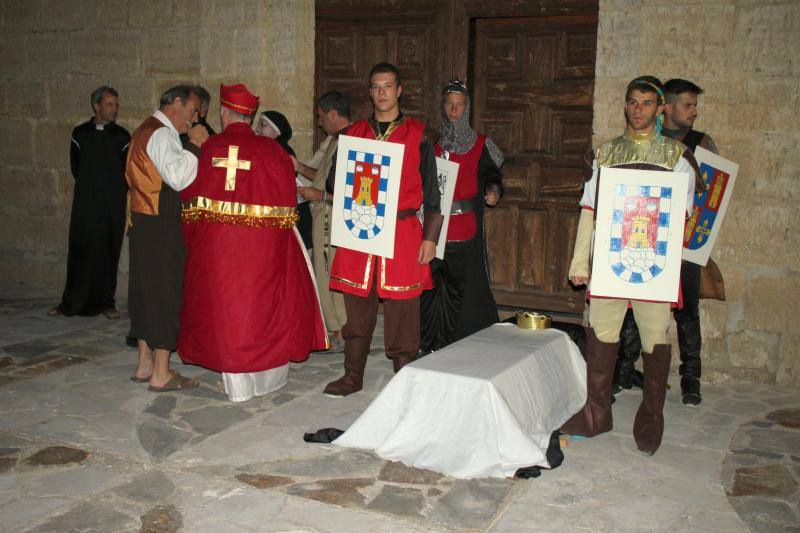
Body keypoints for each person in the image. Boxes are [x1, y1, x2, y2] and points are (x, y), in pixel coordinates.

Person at [561, 76, 701, 455]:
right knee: (602, 336)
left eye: (646, 103)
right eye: (632, 102)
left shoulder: (677, 158)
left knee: (655, 340)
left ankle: (652, 418)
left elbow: (681, 216)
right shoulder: (605, 154)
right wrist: (580, 263)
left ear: (660, 109)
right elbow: (588, 211)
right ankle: (596, 414)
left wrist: (670, 268)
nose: (638, 109)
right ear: (625, 106)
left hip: (653, 268)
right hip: (609, 263)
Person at [178, 83, 327, 402]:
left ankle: (237, 382)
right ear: (251, 115)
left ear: (223, 111)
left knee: (228, 311)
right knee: (260, 310)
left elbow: (188, 199)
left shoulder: (211, 148)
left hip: (218, 251)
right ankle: (265, 380)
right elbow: (289, 204)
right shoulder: (273, 152)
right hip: (261, 252)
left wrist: (196, 240)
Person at [323, 62, 443, 397]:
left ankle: (403, 380)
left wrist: (430, 237)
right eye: (376, 87)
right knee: (357, 304)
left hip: (403, 230)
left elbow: (433, 192)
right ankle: (352, 376)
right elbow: (334, 182)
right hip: (360, 228)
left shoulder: (419, 136)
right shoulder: (352, 134)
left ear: (399, 90)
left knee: (404, 307)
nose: (382, 93)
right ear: (370, 91)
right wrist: (344, 164)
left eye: (388, 86)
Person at [614, 79, 719, 406]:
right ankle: (624, 370)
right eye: (688, 105)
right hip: (644, 242)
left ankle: (691, 379)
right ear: (668, 107)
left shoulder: (703, 144)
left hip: (684, 244)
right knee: (633, 307)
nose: (694, 111)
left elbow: (709, 196)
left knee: (687, 311)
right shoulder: (648, 140)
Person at [126, 85, 209, 391]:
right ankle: (161, 372)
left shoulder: (146, 129)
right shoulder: (161, 133)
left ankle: (144, 364)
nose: (195, 117)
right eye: (193, 109)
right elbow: (178, 177)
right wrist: (196, 146)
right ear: (176, 103)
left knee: (145, 292)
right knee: (164, 292)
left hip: (143, 220)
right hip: (160, 222)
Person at [421, 79, 504, 353]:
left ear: (466, 108)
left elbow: (493, 174)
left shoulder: (481, 144)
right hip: (434, 227)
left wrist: (493, 190)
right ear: (443, 107)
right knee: (431, 288)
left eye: (459, 105)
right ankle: (431, 341)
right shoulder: (431, 143)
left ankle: (458, 342)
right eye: (449, 105)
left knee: (459, 289)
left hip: (463, 227)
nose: (454, 111)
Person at [48, 86, 130, 319]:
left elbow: (126, 171)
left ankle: (106, 302)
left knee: (108, 251)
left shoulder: (122, 137)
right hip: (86, 203)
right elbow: (77, 167)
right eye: (109, 104)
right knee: (81, 250)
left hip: (112, 204)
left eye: (116, 105)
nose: (114, 109)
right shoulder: (80, 134)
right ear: (96, 106)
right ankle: (71, 303)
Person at [296, 91, 352, 353]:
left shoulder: (351, 141)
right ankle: (334, 328)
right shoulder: (334, 140)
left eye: (321, 116)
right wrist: (297, 167)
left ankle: (342, 330)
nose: (319, 123)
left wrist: (318, 195)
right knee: (324, 271)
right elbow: (323, 175)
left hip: (333, 213)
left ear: (332, 113)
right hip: (322, 212)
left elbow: (352, 188)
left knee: (331, 272)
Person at [258, 110, 313, 250]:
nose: (257, 130)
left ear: (277, 131)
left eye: (263, 125)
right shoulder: (271, 148)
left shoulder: (280, 150)